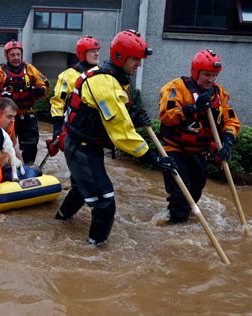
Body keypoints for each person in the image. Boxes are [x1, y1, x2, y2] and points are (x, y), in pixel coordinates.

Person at [55, 29, 177, 246]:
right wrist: (153, 158)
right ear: (120, 56)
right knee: (104, 203)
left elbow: (115, 113)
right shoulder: (103, 82)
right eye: (135, 59)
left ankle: (60, 222)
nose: (138, 64)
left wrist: (133, 115)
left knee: (81, 190)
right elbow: (121, 133)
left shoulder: (114, 77)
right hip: (81, 147)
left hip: (85, 144)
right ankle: (93, 252)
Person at [159, 50, 241, 223]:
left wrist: (227, 144)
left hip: (199, 152)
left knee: (195, 191)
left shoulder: (220, 94)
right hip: (175, 149)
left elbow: (231, 121)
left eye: (214, 75)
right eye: (206, 75)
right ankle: (176, 225)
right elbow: (167, 115)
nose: (210, 79)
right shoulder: (176, 87)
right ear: (195, 72)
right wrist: (193, 108)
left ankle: (180, 216)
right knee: (181, 195)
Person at [0, 40, 49, 165]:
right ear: (7, 56)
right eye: (12, 55)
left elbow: (44, 84)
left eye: (18, 54)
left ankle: (28, 166)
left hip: (28, 113)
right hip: (8, 116)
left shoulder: (30, 70)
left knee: (31, 144)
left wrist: (41, 90)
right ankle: (5, 166)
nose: (16, 58)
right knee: (5, 143)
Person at [50, 35, 101, 143]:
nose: (96, 54)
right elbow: (58, 102)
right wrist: (57, 129)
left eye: (97, 50)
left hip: (95, 134)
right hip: (74, 131)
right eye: (92, 51)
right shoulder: (68, 76)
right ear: (82, 54)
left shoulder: (102, 75)